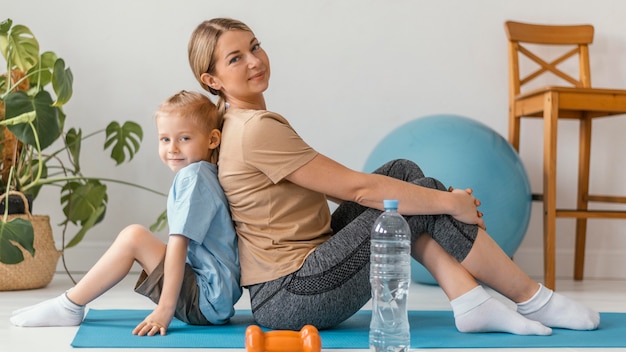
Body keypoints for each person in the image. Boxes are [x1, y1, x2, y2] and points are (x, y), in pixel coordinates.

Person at [187, 18, 600, 335]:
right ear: (212, 80)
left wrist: (428, 202)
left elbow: (355, 189)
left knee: (401, 174)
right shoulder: (255, 130)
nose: (255, 60)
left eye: (255, 46)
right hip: (293, 294)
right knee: (412, 199)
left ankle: (470, 299)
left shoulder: (242, 121)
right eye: (236, 58)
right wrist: (450, 202)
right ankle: (531, 298)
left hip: (301, 271)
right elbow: (356, 188)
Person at [10, 90, 242, 336]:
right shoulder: (205, 174)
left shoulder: (193, 177)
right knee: (137, 238)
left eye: (184, 138)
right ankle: (68, 303)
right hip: (215, 301)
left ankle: (69, 305)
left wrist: (165, 310)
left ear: (212, 139)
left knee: (134, 238)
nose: (172, 148)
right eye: (164, 139)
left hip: (205, 301)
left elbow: (179, 245)